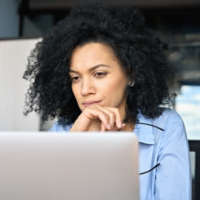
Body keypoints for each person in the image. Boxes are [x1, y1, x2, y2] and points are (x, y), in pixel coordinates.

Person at [23, 1, 191, 200]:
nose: (85, 90)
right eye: (75, 78)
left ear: (131, 74)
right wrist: (74, 144)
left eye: (99, 73)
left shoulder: (166, 127)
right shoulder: (63, 131)